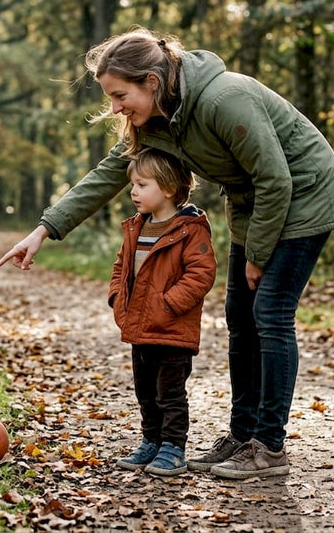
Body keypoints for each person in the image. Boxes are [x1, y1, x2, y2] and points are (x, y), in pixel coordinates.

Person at [0, 27, 334, 479]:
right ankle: (243, 435)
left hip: (304, 196)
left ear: (151, 80)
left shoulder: (224, 99)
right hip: (255, 205)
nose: (114, 108)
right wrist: (44, 230)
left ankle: (270, 446)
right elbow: (110, 173)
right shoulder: (163, 120)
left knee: (270, 312)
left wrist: (257, 255)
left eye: (119, 94)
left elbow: (277, 179)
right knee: (239, 318)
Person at [109, 149, 216, 477]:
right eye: (133, 185)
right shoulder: (137, 228)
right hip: (140, 329)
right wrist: (116, 297)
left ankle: (173, 446)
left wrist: (168, 305)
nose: (133, 191)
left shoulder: (190, 229)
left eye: (142, 184)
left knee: (170, 392)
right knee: (145, 390)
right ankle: (151, 440)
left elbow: (201, 274)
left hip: (172, 332)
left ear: (168, 188)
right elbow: (120, 266)